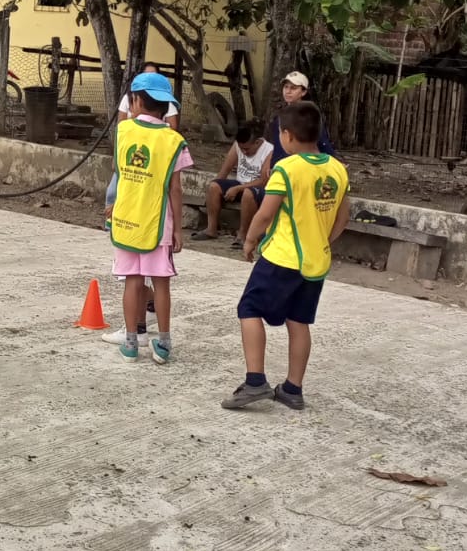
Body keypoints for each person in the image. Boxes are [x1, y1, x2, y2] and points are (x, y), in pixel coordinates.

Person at [223, 100, 350, 411]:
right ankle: (293, 389)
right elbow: (343, 216)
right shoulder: (337, 169)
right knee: (299, 321)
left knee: (248, 308)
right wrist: (323, 241)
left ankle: (255, 381)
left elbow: (266, 214)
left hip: (282, 258)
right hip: (315, 261)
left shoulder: (286, 169)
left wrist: (249, 240)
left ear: (288, 135)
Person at [107, 71, 192, 365]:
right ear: (165, 106)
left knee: (132, 281)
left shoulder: (123, 131)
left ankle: (131, 343)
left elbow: (120, 173)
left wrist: (113, 205)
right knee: (161, 283)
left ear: (136, 100)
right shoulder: (173, 140)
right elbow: (175, 188)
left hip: (126, 220)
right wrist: (178, 229)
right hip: (159, 223)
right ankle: (164, 343)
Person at [192, 120, 274, 249]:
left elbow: (264, 181)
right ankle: (211, 229)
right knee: (214, 186)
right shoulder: (237, 145)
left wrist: (237, 188)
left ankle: (243, 235)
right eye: (241, 149)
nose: (244, 152)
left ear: (257, 142)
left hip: (256, 189)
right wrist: (214, 189)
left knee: (248, 194)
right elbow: (224, 171)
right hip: (240, 184)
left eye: (247, 149)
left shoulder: (269, 150)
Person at [268, 71, 336, 156]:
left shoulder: (309, 116)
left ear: (303, 92)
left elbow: (323, 144)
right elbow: (276, 147)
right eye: (286, 87)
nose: (288, 91)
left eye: (293, 88)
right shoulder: (279, 117)